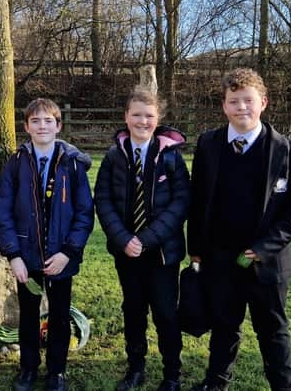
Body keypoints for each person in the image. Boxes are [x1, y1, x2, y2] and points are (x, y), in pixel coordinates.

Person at [187, 68, 291, 391]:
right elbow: (198, 199)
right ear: (224, 105)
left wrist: (265, 247)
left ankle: (284, 386)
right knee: (224, 326)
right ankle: (216, 383)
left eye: (248, 100)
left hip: (266, 264)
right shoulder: (208, 144)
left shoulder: (285, 150)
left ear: (264, 103)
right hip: (221, 259)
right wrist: (197, 250)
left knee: (273, 331)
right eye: (234, 101)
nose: (241, 107)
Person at [0, 98, 94, 391]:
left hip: (61, 257)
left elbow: (84, 213)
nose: (42, 126)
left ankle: (56, 371)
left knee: (60, 316)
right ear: (26, 127)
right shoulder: (16, 163)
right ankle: (27, 368)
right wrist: (13, 254)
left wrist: (68, 252)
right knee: (28, 314)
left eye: (48, 121)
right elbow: (4, 210)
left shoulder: (72, 164)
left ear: (58, 126)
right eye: (35, 121)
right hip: (26, 257)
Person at [94, 90, 190, 391]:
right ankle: (135, 368)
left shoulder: (171, 157)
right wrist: (123, 239)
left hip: (162, 253)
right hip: (127, 253)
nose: (142, 121)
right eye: (136, 115)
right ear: (126, 117)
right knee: (133, 310)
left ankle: (171, 374)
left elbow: (181, 203)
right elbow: (103, 200)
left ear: (157, 119)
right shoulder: (113, 157)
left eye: (149, 116)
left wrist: (147, 239)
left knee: (165, 313)